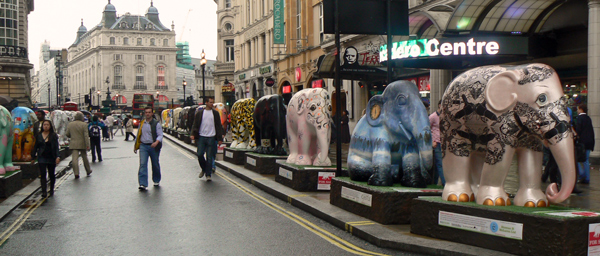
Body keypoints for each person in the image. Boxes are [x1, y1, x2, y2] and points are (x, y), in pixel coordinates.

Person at [191, 97, 224, 182]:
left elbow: (218, 126)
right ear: (206, 103)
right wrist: (192, 134)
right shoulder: (200, 113)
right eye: (210, 102)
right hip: (202, 137)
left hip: (211, 137)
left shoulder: (215, 113)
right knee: (199, 154)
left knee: (210, 157)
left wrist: (220, 138)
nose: (211, 104)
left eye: (212, 102)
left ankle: (208, 174)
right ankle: (204, 168)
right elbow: (195, 124)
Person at [134, 107, 163, 190]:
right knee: (143, 164)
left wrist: (156, 142)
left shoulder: (156, 124)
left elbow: (160, 135)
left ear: (152, 113)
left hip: (153, 146)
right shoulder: (142, 123)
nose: (147, 114)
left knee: (155, 164)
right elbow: (139, 135)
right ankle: (143, 184)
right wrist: (136, 146)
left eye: (149, 112)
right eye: (146, 112)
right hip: (143, 146)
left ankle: (156, 180)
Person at [31, 120, 60, 198]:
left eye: (47, 125)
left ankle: (51, 189)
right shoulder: (39, 135)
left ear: (50, 126)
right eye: (44, 125)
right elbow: (35, 146)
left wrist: (58, 156)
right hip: (42, 157)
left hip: (51, 157)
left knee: (51, 174)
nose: (46, 126)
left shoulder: (53, 135)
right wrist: (33, 157)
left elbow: (56, 147)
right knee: (43, 174)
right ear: (42, 126)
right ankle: (44, 191)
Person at [66, 111, 92, 179]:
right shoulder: (84, 124)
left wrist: (72, 136)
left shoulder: (70, 124)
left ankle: (76, 173)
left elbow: (67, 134)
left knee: (74, 159)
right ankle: (88, 170)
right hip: (82, 143)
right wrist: (88, 144)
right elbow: (86, 135)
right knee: (84, 157)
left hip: (74, 143)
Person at [574, 104, 594, 184]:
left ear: (581, 109)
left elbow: (578, 130)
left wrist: (575, 137)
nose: (577, 110)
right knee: (586, 160)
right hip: (590, 142)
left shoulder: (579, 118)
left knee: (577, 159)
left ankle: (582, 174)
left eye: (578, 109)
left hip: (582, 142)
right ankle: (587, 178)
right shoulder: (588, 118)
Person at [429, 100, 445, 186]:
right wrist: (432, 141)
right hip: (437, 142)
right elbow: (427, 129)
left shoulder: (446, 116)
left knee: (438, 164)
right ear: (439, 105)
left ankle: (434, 182)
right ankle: (444, 183)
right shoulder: (433, 116)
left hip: (444, 142)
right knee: (440, 163)